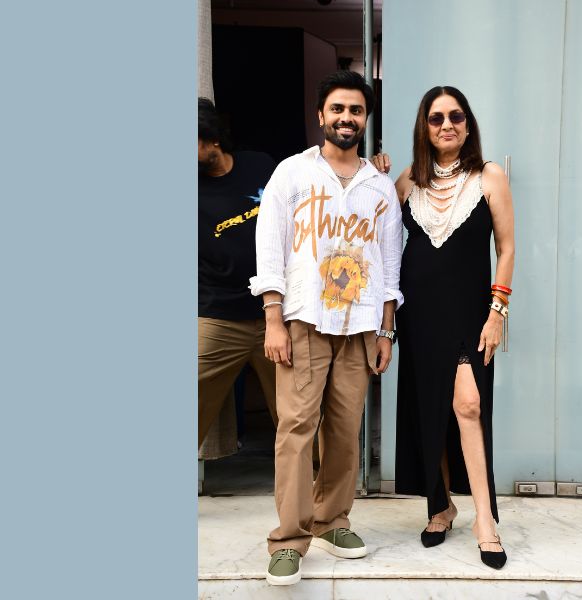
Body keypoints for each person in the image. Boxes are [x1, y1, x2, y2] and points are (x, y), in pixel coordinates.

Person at [250, 71, 403, 586]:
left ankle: (333, 520)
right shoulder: (292, 173)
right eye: (337, 108)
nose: (346, 117)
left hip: (360, 323)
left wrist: (386, 331)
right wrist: (273, 318)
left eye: (355, 110)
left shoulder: (380, 186)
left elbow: (389, 264)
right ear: (321, 115)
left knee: (344, 428)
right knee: (296, 427)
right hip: (305, 319)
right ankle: (288, 540)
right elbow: (270, 247)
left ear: (366, 118)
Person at [371, 86, 515, 569]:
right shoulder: (409, 179)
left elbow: (507, 249)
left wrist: (497, 312)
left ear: (468, 125)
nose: (446, 124)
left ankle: (485, 520)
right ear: (424, 127)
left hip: (470, 313)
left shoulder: (490, 176)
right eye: (436, 118)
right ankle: (441, 507)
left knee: (468, 405)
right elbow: (375, 231)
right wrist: (376, 176)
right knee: (428, 406)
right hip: (419, 313)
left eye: (455, 116)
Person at [198, 97, 279, 450]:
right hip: (217, 316)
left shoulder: (260, 166)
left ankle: (319, 479)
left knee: (300, 412)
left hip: (276, 315)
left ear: (212, 138)